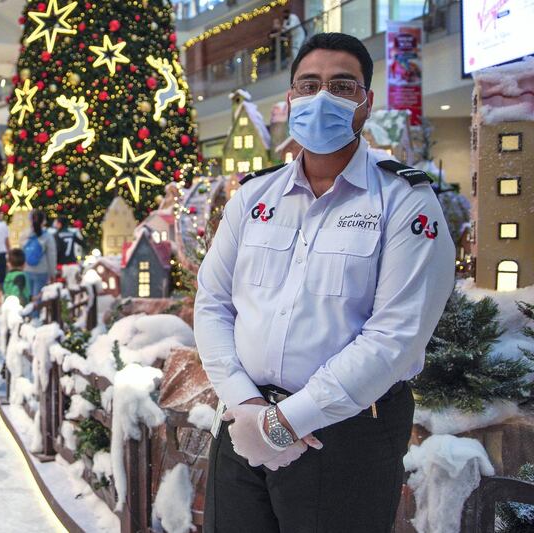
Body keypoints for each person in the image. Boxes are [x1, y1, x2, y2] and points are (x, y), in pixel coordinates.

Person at [194, 33, 455, 532]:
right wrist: (248, 407)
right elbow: (213, 303)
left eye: (341, 86)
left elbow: (395, 338)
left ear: (366, 102)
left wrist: (285, 422)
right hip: (243, 422)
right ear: (289, 99)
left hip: (349, 431)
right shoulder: (253, 198)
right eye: (309, 85)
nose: (321, 98)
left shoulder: (404, 200)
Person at [21, 209, 56, 299]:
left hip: (27, 269)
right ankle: (35, 313)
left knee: (27, 298)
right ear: (44, 221)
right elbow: (52, 256)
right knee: (38, 299)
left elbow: (21, 251)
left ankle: (27, 313)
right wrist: (52, 274)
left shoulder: (24, 234)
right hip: (41, 270)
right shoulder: (47, 236)